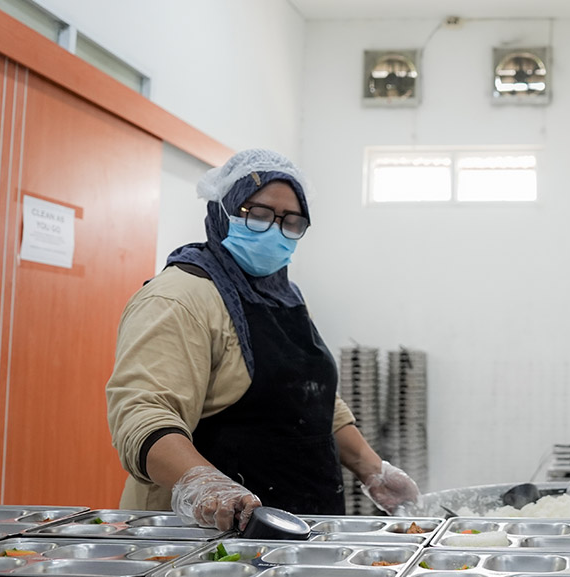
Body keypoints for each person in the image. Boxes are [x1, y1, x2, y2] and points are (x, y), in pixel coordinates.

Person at [106, 149, 418, 530]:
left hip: (303, 528)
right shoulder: (179, 297)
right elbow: (142, 413)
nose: (275, 229)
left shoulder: (286, 296)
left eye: (292, 221)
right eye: (259, 214)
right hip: (212, 539)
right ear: (225, 211)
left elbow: (312, 398)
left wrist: (374, 470)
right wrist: (202, 483)